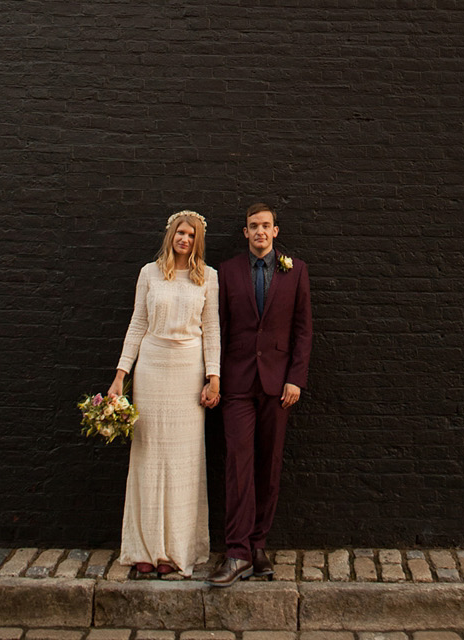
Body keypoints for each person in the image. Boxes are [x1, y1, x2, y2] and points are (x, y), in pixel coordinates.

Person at [108, 209, 220, 580]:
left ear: (197, 240)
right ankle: (144, 548)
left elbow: (212, 330)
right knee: (149, 457)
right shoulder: (149, 273)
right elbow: (137, 323)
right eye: (180, 233)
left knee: (183, 463)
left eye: (191, 235)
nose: (184, 239)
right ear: (171, 235)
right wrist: (120, 377)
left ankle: (174, 550)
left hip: (188, 373)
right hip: (152, 371)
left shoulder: (209, 278)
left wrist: (213, 377)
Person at [209, 202, 312, 586]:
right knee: (238, 464)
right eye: (253, 226)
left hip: (277, 386)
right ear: (245, 232)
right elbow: (217, 327)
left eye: (266, 226)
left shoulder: (295, 270)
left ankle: (257, 545)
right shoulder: (227, 272)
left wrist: (295, 379)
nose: (260, 232)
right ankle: (235, 551)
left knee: (269, 465)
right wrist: (214, 375)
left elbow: (303, 330)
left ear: (276, 230)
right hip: (236, 385)